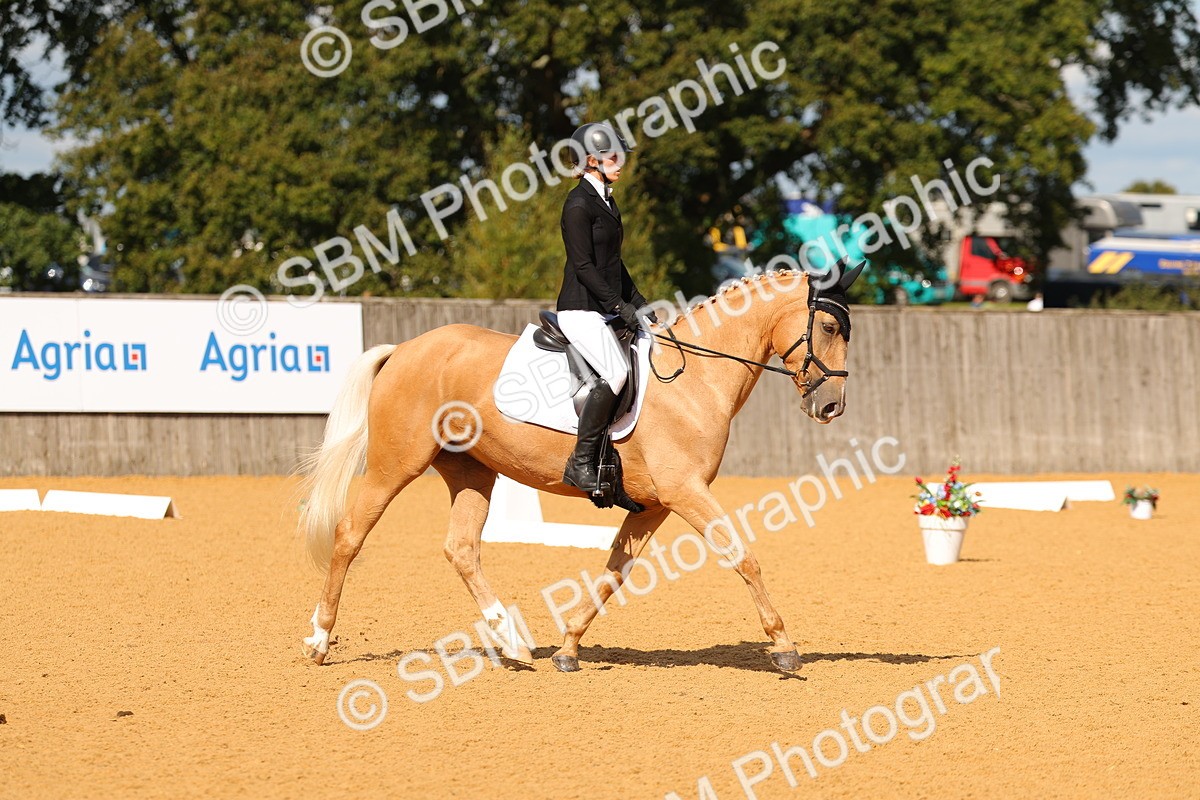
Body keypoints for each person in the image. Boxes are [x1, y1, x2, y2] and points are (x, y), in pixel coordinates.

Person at [557, 122, 656, 492]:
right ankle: (581, 462)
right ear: (591, 161)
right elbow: (583, 266)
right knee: (615, 373)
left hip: (604, 307)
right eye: (614, 156)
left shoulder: (607, 201)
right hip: (580, 308)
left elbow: (614, 263)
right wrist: (618, 304)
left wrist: (638, 303)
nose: (621, 162)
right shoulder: (578, 204)